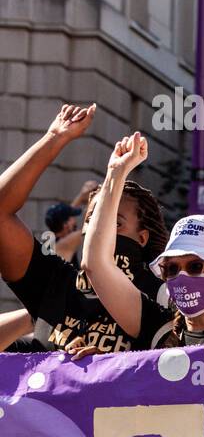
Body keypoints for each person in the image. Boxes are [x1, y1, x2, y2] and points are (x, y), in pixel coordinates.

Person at [81, 132, 204, 359]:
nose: (180, 277)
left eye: (195, 266)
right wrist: (116, 172)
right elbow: (95, 264)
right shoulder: (156, 330)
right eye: (171, 269)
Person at [0, 104, 173, 357]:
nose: (98, 229)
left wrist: (116, 173)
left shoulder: (162, 295)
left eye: (114, 222)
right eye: (92, 219)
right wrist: (55, 138)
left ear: (142, 237)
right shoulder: (56, 283)